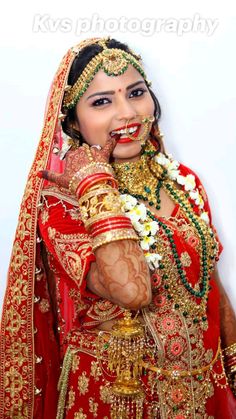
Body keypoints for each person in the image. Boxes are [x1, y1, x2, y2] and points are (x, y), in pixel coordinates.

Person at [0, 36, 235, 419]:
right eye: (102, 101)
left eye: (136, 93)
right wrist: (93, 182)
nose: (127, 113)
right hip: (115, 398)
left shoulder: (182, 181)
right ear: (73, 121)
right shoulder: (64, 206)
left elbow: (211, 283)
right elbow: (132, 291)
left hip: (200, 391)